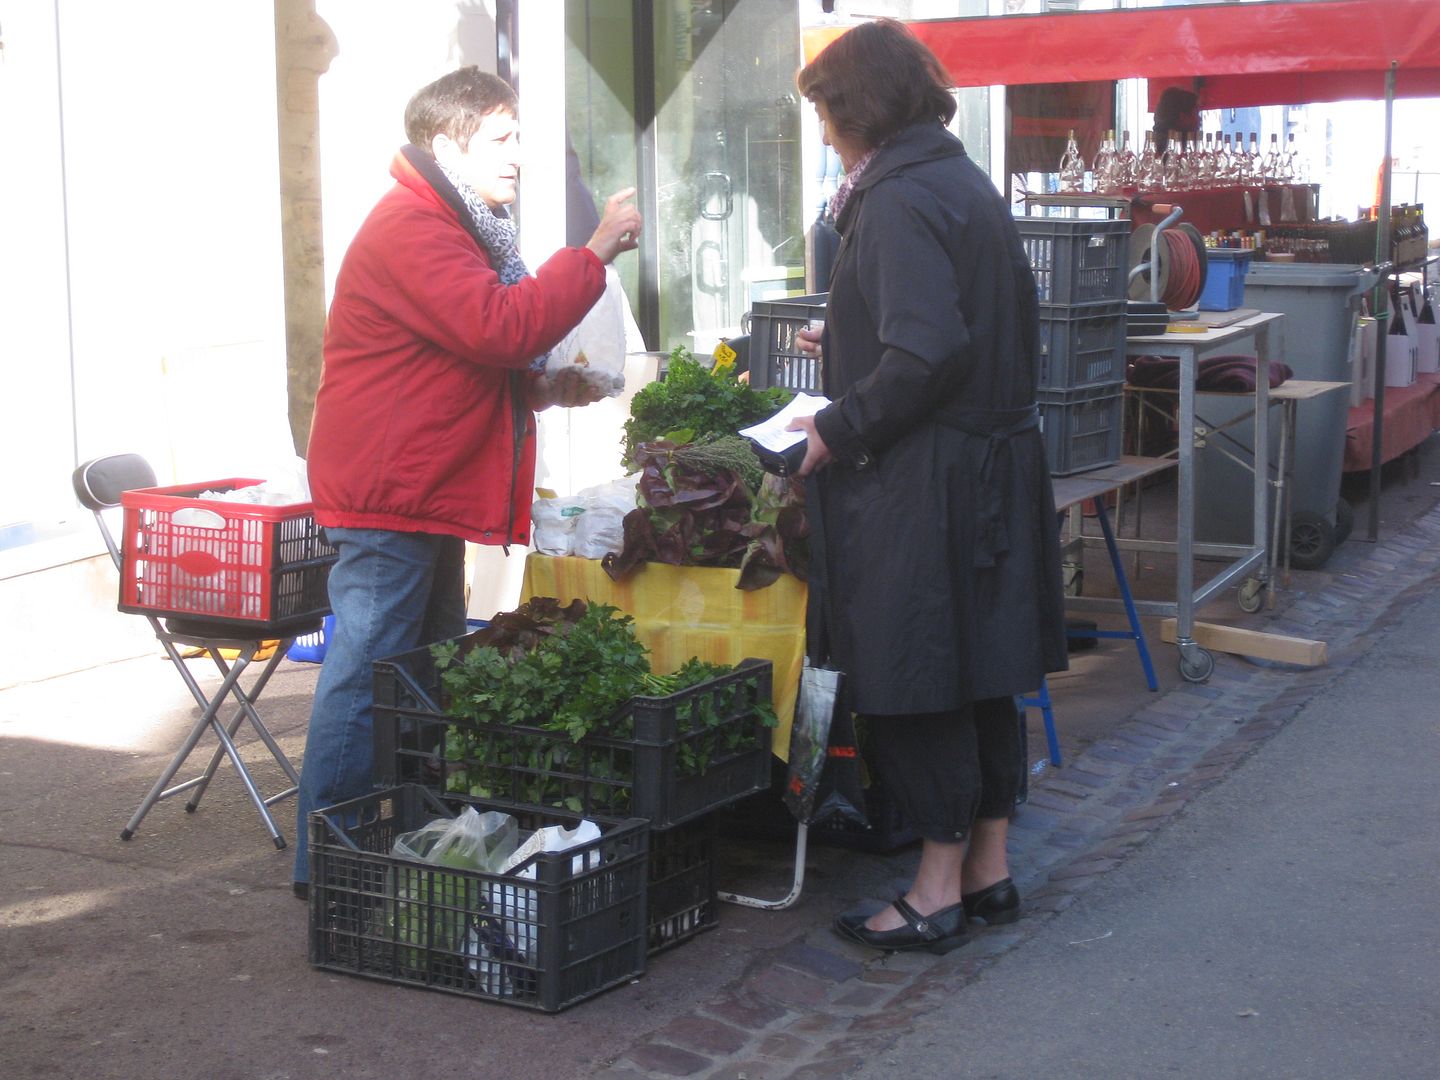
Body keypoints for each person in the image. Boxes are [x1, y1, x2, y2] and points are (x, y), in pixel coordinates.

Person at [291, 67, 641, 896]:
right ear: (449, 144)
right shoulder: (414, 226)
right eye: (503, 138)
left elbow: (458, 356)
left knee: (425, 674)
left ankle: (415, 842)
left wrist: (542, 388)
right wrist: (590, 254)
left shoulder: (457, 225)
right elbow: (495, 326)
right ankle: (330, 866)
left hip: (419, 491)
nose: (520, 155)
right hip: (391, 495)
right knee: (370, 678)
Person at [787, 20, 1068, 954]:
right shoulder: (956, 178)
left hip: (933, 482)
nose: (824, 130)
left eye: (827, 110)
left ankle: (936, 890)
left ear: (857, 106)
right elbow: (950, 328)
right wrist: (852, 335)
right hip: (987, 466)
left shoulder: (899, 198)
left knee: (918, 675)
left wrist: (834, 425)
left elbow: (928, 349)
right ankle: (989, 871)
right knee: (982, 670)